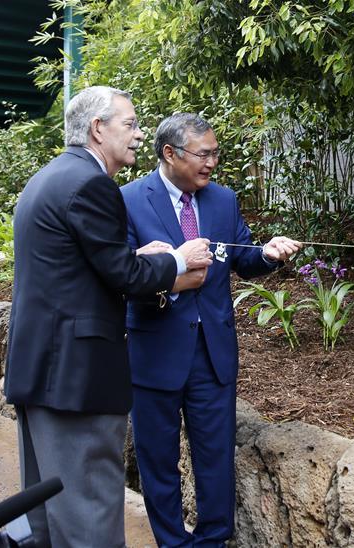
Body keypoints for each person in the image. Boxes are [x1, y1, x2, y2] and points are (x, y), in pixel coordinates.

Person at [5, 86, 214, 548]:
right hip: (76, 380)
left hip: (41, 371)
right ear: (98, 129)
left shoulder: (50, 176)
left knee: (47, 521)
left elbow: (75, 268)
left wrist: (138, 256)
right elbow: (123, 276)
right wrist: (177, 260)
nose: (139, 134)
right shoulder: (92, 184)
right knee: (89, 521)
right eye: (131, 124)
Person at [121, 113, 300, 547]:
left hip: (213, 353)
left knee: (215, 457)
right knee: (158, 460)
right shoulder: (127, 200)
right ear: (170, 153)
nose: (212, 163)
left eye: (215, 153)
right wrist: (169, 269)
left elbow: (243, 257)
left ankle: (213, 540)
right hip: (155, 352)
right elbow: (121, 275)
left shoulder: (223, 199)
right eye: (203, 154)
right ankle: (173, 542)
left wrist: (269, 254)